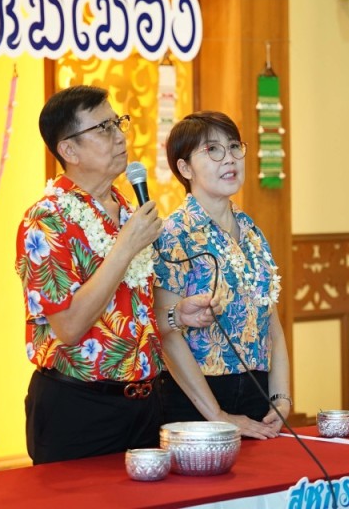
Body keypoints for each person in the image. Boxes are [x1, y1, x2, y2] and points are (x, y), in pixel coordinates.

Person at [15, 85, 219, 464]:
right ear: (69, 150)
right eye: (103, 128)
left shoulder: (127, 209)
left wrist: (176, 315)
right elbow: (69, 327)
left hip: (146, 405)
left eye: (117, 123)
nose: (121, 137)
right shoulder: (46, 220)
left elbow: (130, 316)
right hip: (80, 409)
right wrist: (125, 247)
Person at [153, 111, 291, 439]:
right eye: (212, 150)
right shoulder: (173, 233)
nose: (229, 158)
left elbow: (271, 322)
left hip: (257, 393)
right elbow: (165, 333)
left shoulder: (252, 231)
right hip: (196, 400)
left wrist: (280, 397)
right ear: (185, 168)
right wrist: (218, 415)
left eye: (233, 147)